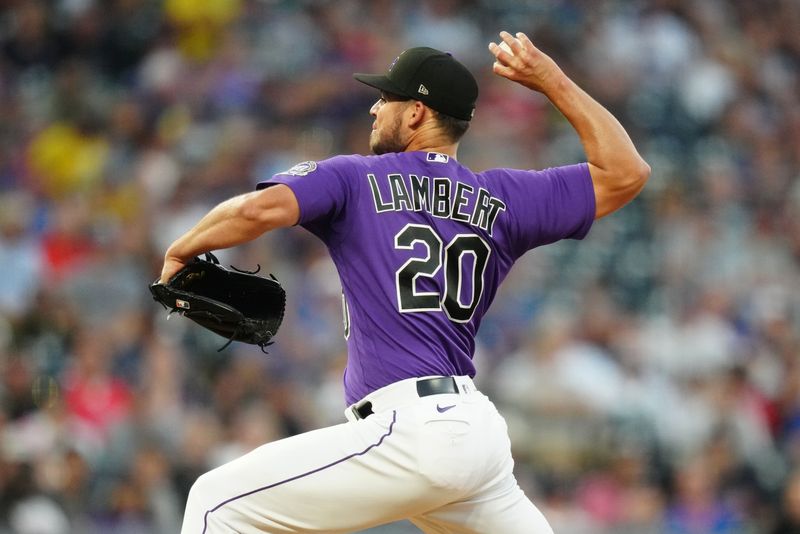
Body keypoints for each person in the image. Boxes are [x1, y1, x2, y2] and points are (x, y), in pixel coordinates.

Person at [159, 30, 650, 534]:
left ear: (415, 112)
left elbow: (259, 208)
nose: (375, 110)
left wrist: (182, 249)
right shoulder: (504, 196)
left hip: (408, 432)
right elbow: (625, 172)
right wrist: (551, 79)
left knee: (215, 501)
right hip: (475, 436)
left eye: (385, 99)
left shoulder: (355, 178)